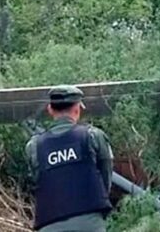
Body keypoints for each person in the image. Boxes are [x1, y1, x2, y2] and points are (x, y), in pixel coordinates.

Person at [25, 85, 114, 232]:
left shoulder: (34, 146)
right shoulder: (93, 136)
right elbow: (106, 177)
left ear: (50, 109)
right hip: (90, 223)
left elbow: (37, 181)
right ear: (78, 109)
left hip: (50, 224)